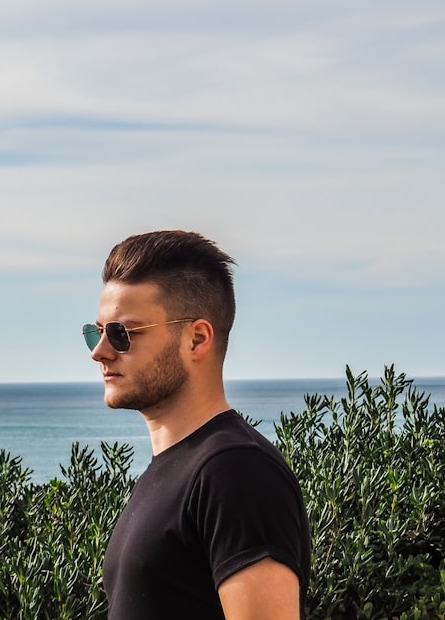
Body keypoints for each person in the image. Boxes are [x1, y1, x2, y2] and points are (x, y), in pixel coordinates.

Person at [82, 230, 311, 620]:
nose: (100, 352)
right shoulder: (179, 470)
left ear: (197, 339)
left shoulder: (235, 473)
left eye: (122, 334)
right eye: (96, 332)